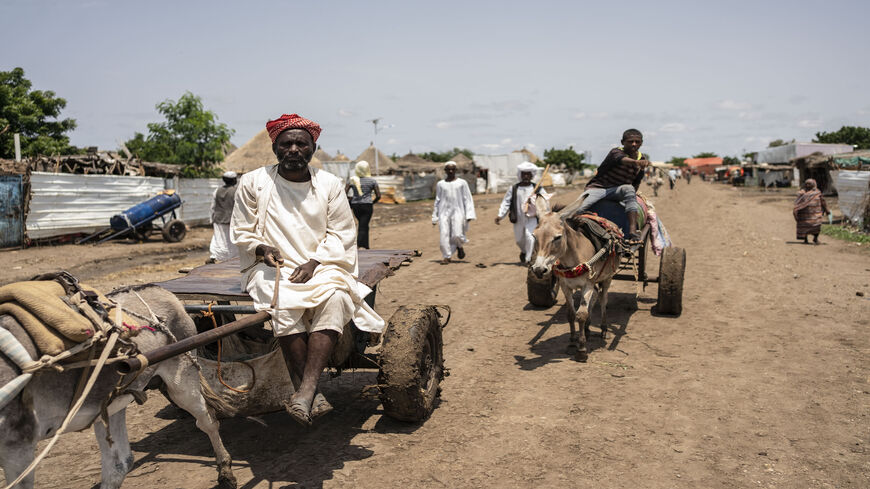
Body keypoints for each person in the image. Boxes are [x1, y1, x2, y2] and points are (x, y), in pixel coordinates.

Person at [231, 113, 384, 426]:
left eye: (301, 143)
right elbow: (242, 230)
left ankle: (307, 388)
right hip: (269, 265)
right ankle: (310, 390)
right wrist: (262, 248)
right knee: (278, 301)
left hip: (323, 262)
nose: (293, 149)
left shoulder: (329, 184)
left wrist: (315, 262)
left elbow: (341, 232)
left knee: (338, 297)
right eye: (286, 143)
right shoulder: (253, 183)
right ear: (274, 146)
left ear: (314, 147)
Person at [561, 128, 650, 242]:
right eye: (630, 141)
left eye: (637, 142)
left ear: (641, 143)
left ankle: (632, 231)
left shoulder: (641, 160)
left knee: (629, 189)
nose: (634, 144)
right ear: (623, 142)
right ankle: (563, 231)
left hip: (618, 191)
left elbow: (636, 182)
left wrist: (631, 199)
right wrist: (637, 162)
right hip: (599, 188)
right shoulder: (616, 152)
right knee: (578, 208)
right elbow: (621, 160)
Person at [495, 161, 549, 264]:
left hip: (532, 218)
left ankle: (529, 259)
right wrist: (500, 215)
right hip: (518, 218)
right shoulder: (514, 188)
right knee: (519, 240)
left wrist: (545, 213)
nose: (526, 176)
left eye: (528, 174)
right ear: (520, 175)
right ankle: (524, 252)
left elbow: (546, 201)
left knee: (531, 238)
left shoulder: (537, 188)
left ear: (531, 175)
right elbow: (506, 202)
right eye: (524, 173)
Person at [432, 161, 476, 264]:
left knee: (457, 234)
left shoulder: (462, 183)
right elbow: (437, 200)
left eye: (453, 169)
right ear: (445, 171)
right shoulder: (440, 184)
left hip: (458, 212)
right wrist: (435, 216)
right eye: (448, 169)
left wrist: (469, 214)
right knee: (444, 234)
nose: (451, 171)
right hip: (443, 213)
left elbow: (468, 199)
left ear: (456, 170)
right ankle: (447, 256)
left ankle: (459, 246)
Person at [345, 160, 381, 249]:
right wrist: (372, 202)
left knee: (363, 224)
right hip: (367, 205)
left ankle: (366, 246)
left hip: (356, 205)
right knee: (363, 225)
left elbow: (344, 193)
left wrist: (351, 199)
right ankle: (358, 246)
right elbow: (379, 196)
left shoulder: (352, 180)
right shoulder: (372, 181)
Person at [207, 171, 239, 263]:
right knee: (231, 241)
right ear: (233, 180)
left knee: (218, 238)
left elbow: (212, 206)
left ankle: (215, 256)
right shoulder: (236, 191)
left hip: (218, 219)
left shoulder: (217, 190)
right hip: (231, 220)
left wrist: (211, 219)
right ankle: (231, 258)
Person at [793, 178, 829, 245]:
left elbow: (823, 201)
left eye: (809, 183)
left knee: (817, 226)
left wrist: (827, 210)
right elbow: (797, 203)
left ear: (813, 184)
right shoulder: (802, 193)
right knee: (805, 226)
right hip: (804, 215)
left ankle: (815, 238)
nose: (807, 185)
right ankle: (805, 239)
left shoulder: (817, 192)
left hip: (815, 214)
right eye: (806, 184)